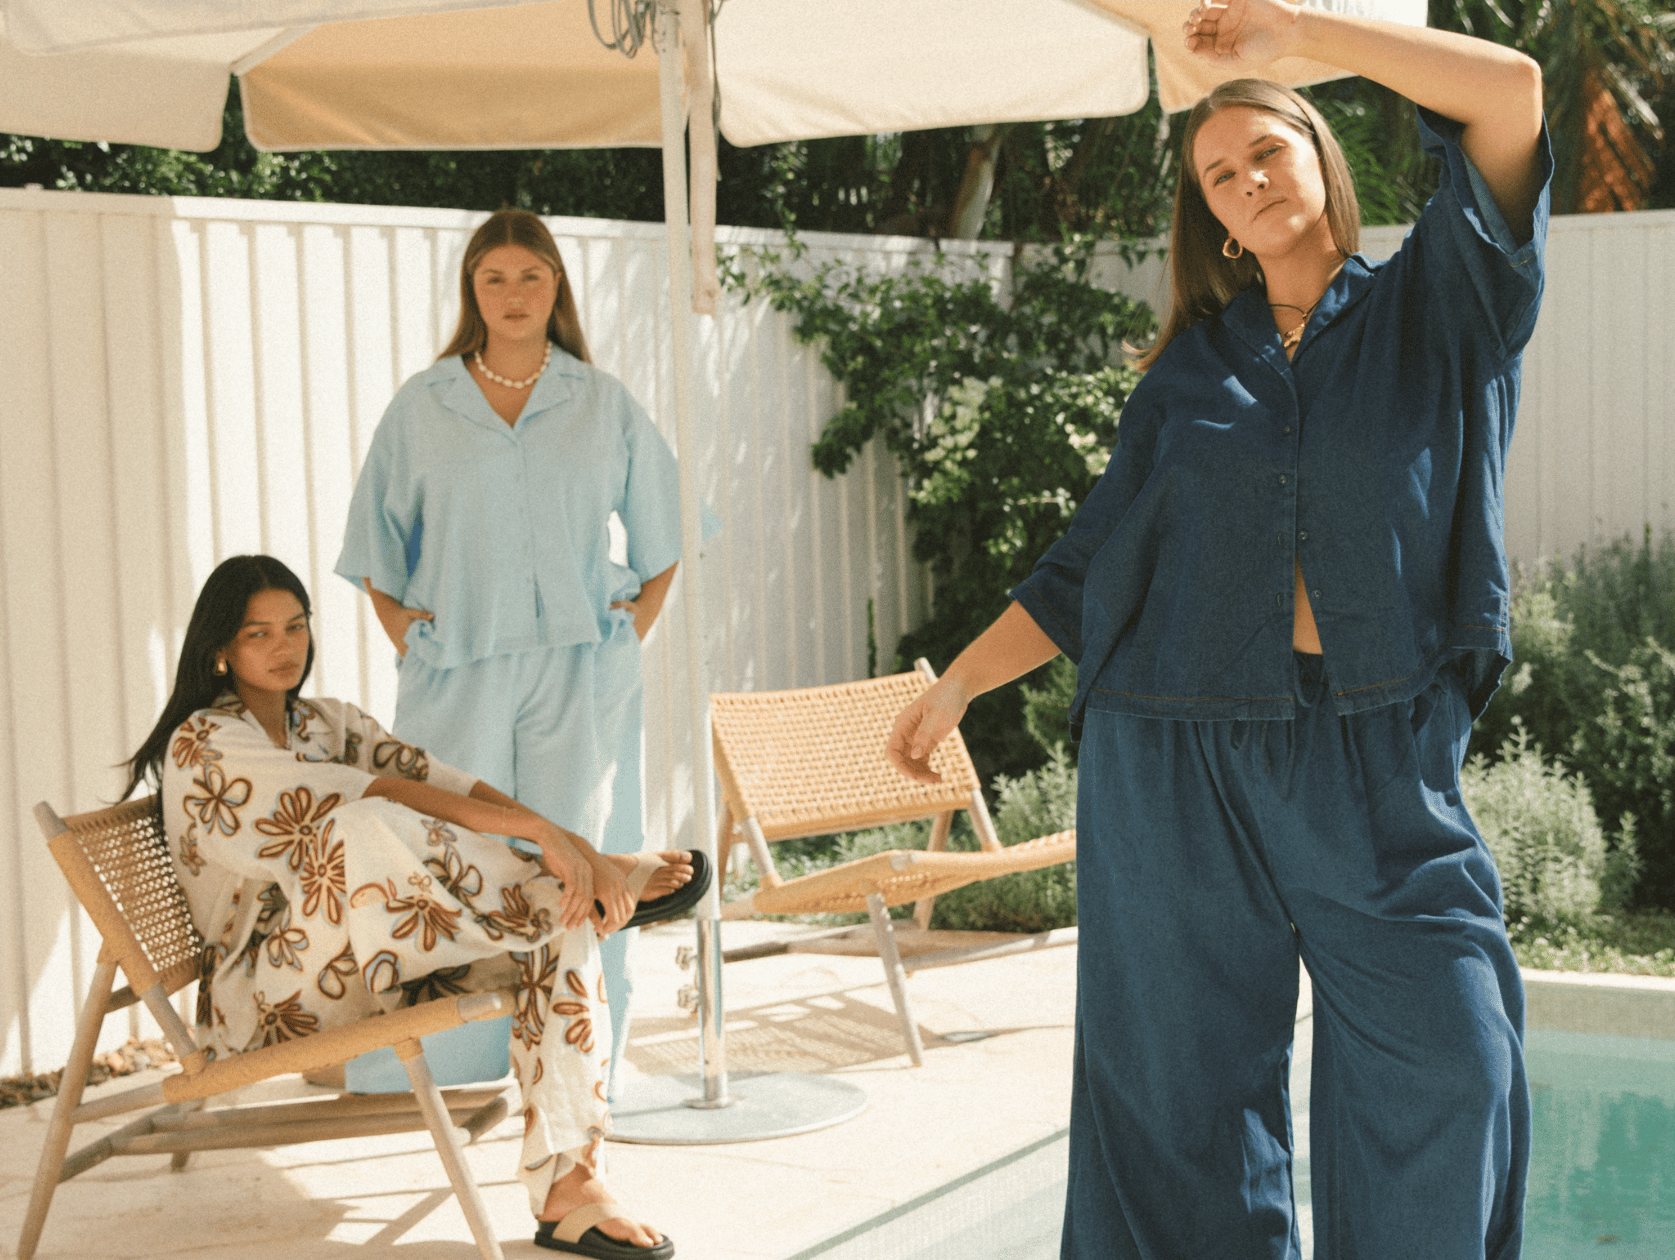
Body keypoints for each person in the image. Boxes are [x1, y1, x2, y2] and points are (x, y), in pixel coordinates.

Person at [887, 2, 1550, 1256]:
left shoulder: (1440, 308)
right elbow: (1090, 564)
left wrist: (1292, 38)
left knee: (1453, 1058)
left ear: (1318, 154)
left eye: (1267, 153)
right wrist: (960, 685)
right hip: (1173, 754)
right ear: (1210, 214)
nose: (1248, 182)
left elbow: (1509, 94)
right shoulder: (1191, 375)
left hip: (1374, 758)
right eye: (1219, 175)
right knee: (1175, 1105)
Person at [125, 554, 679, 1258]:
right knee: (361, 826)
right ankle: (566, 890)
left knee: (562, 926)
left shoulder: (327, 722)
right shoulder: (204, 742)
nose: (284, 646)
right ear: (221, 650)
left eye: (295, 626)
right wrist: (552, 844)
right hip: (270, 998)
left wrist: (576, 848)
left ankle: (573, 1188)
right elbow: (378, 797)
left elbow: (448, 783)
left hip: (382, 949)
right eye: (258, 633)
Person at [334, 209, 716, 1095]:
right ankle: (451, 1072)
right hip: (456, 670)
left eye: (531, 277)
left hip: (581, 673)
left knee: (582, 865)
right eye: (494, 278)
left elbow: (670, 533)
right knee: (456, 866)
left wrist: (628, 633)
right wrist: (403, 633)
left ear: (557, 289)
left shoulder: (600, 400)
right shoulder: (423, 404)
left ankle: (577, 1077)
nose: (513, 295)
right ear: (472, 290)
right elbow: (372, 546)